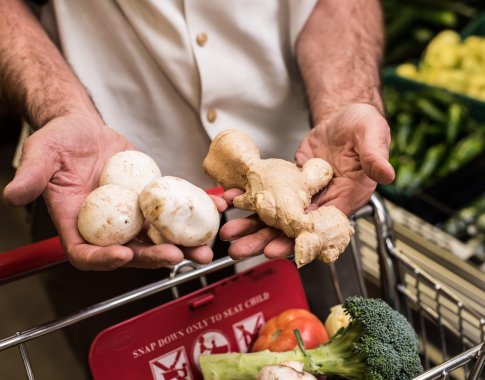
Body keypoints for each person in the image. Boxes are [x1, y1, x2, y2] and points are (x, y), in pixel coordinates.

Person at [0, 0, 394, 374]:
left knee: (334, 357)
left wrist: (344, 102)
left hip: (308, 182)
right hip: (99, 184)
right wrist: (61, 108)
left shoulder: (304, 201)